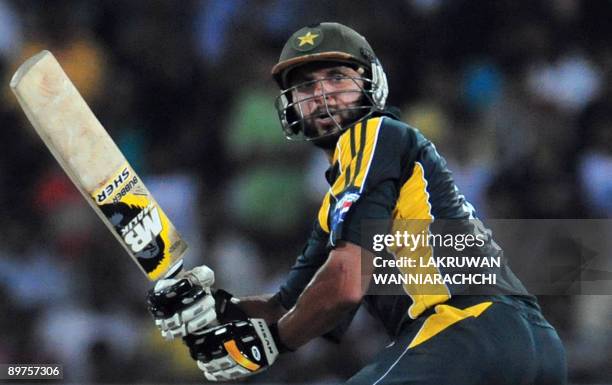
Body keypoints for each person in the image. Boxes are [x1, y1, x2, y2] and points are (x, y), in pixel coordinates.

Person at [147, 22, 567, 384]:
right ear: (291, 106)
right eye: (306, 86)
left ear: (371, 83)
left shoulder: (375, 135)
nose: (323, 95)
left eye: (336, 77)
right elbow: (286, 307)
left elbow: (344, 286)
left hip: (465, 329)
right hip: (531, 343)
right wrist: (215, 308)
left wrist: (272, 344)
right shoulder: (341, 199)